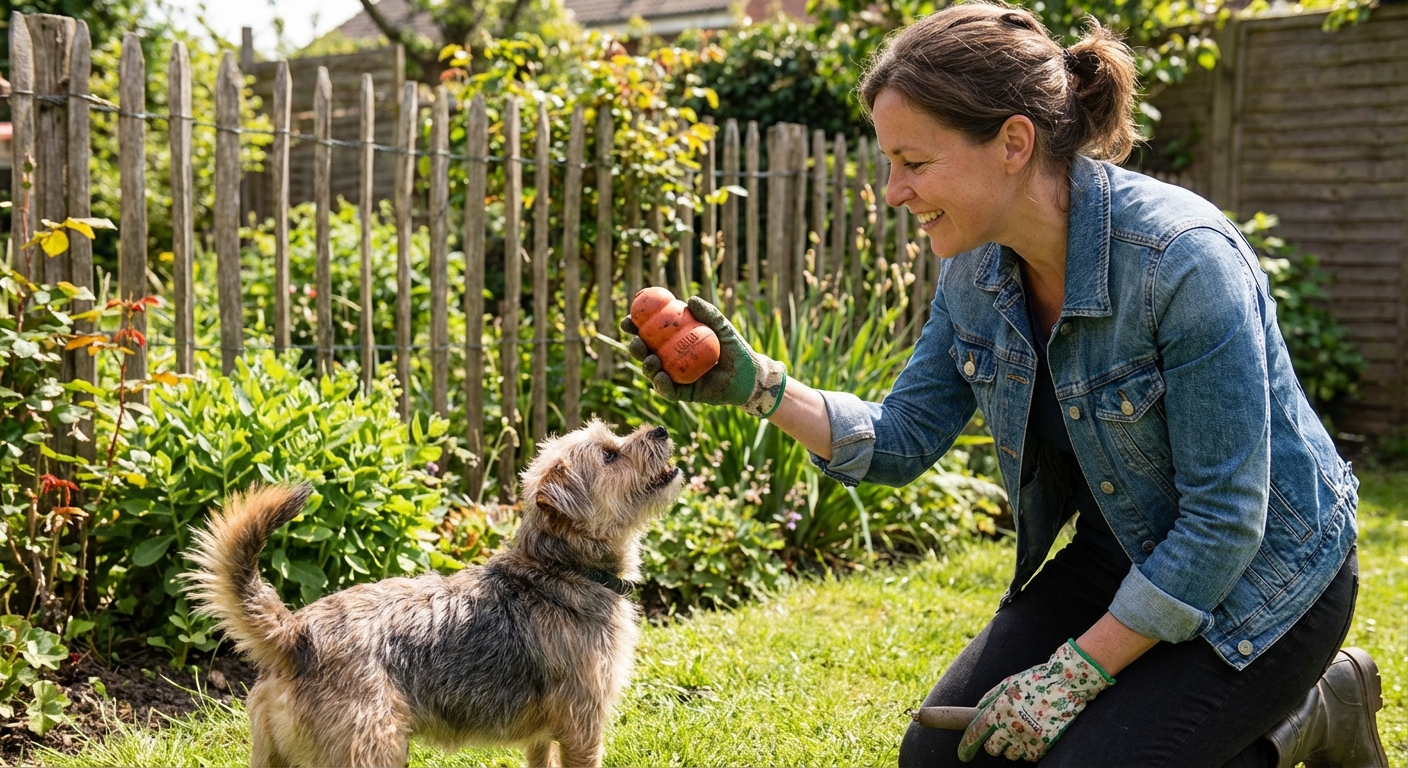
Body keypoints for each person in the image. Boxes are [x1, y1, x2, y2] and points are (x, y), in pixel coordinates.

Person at [619, 2, 1390, 765]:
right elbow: (900, 440)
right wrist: (757, 384)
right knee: (935, 759)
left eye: (914, 163)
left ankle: (1313, 714)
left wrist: (1078, 672)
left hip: (1267, 581)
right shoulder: (974, 272)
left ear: (1014, 142)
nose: (893, 191)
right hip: (1121, 552)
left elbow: (1224, 521)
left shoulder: (1182, 262)